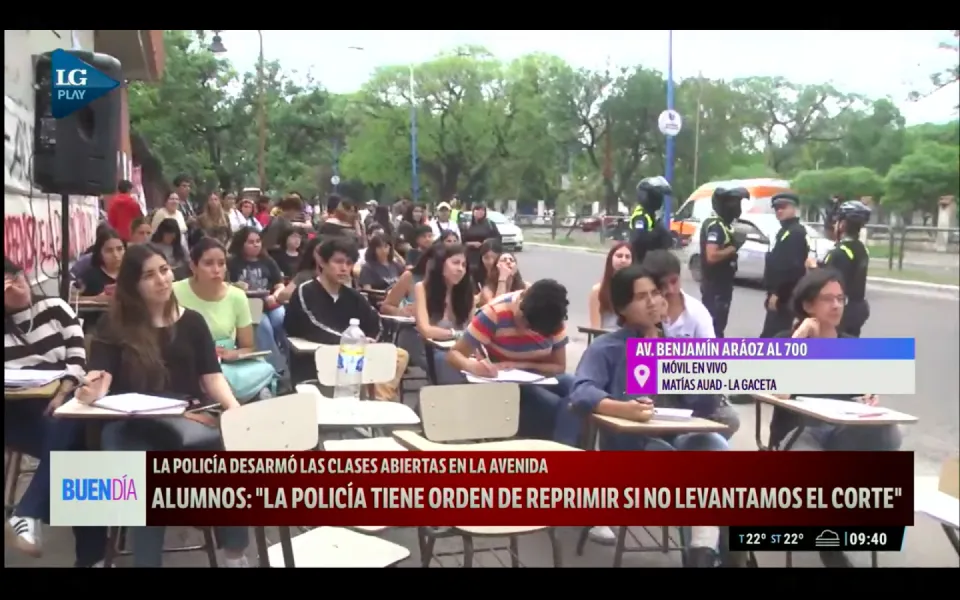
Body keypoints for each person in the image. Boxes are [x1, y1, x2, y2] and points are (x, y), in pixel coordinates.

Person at [76, 244, 250, 568]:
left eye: (164, 270)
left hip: (189, 420)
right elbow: (101, 378)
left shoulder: (193, 322)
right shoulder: (114, 327)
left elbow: (212, 378)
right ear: (132, 285)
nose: (161, 280)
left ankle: (235, 554)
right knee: (146, 484)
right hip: (130, 426)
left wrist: (235, 411)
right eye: (148, 275)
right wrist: (91, 390)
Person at [560, 264, 732, 567]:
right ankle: (709, 553)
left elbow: (701, 404)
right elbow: (581, 392)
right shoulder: (607, 348)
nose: (652, 302)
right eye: (641, 297)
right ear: (623, 307)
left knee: (715, 446)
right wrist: (621, 408)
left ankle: (704, 553)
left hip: (676, 436)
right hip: (630, 448)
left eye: (655, 293)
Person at [768, 268, 899, 568]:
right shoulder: (784, 340)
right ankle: (831, 542)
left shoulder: (851, 345)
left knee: (888, 433)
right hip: (800, 431)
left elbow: (864, 393)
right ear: (808, 305)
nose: (837, 306)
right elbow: (778, 393)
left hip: (842, 431)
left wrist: (869, 397)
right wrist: (799, 341)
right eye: (828, 299)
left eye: (840, 298)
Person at [4, 258, 108, 567]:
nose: (16, 285)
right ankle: (93, 559)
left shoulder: (55, 307)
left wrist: (64, 389)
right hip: (15, 412)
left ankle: (28, 512)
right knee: (79, 454)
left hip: (59, 401)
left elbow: (78, 357)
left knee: (77, 453)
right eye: (7, 283)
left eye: (17, 277)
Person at [446, 279, 573, 440]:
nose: (526, 330)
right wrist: (472, 366)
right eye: (526, 324)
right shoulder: (494, 313)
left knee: (578, 390)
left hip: (540, 375)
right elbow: (454, 354)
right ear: (522, 304)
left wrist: (518, 364)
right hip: (507, 383)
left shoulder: (552, 316)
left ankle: (567, 449)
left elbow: (559, 366)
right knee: (550, 404)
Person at [283, 238, 409, 400]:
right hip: (314, 362)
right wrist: (353, 342)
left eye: (349, 263)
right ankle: (377, 404)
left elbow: (375, 324)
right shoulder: (305, 291)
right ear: (322, 262)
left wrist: (370, 341)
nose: (344, 268)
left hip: (354, 358)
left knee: (398, 355)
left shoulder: (354, 297)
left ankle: (378, 403)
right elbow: (314, 327)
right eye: (338, 262)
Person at [643, 250, 740, 437]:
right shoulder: (645, 311)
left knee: (729, 419)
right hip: (653, 388)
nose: (670, 290)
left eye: (674, 281)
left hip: (688, 385)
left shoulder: (696, 312)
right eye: (663, 285)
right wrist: (656, 323)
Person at [174, 238, 278, 400]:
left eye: (221, 264)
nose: (216, 270)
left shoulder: (237, 296)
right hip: (184, 364)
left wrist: (233, 354)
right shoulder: (174, 292)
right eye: (208, 264)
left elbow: (248, 347)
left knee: (263, 376)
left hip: (224, 365)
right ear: (193, 267)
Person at [225, 228, 288, 375]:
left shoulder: (268, 261)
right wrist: (236, 287)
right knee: (264, 326)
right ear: (242, 244)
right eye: (251, 242)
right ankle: (276, 368)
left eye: (258, 241)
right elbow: (226, 285)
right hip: (248, 304)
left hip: (269, 301)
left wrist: (277, 295)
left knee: (281, 319)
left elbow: (279, 284)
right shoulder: (232, 262)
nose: (255, 245)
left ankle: (288, 356)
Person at [412, 244, 475, 383]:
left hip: (461, 349)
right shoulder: (422, 288)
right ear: (442, 265)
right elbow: (425, 330)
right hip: (432, 349)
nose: (460, 269)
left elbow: (472, 329)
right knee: (447, 362)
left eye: (464, 265)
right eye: (455, 263)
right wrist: (456, 334)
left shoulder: (467, 292)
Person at [760, 192, 811, 338]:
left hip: (785, 296)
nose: (779, 211)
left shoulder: (795, 233)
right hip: (780, 294)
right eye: (776, 208)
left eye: (783, 207)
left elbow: (792, 269)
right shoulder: (784, 231)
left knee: (773, 336)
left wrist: (778, 293)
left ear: (793, 208)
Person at [699, 186, 748, 337]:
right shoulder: (716, 226)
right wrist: (733, 249)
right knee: (714, 328)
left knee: (717, 325)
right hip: (715, 287)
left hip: (721, 285)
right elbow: (712, 256)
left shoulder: (725, 226)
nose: (737, 207)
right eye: (733, 203)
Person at [821, 200, 871, 337]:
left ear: (842, 225)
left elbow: (826, 281)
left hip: (841, 312)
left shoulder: (839, 252)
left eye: (836, 221)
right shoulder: (861, 248)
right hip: (857, 308)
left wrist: (814, 267)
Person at [628, 176, 674, 265]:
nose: (658, 200)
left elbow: (667, 240)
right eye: (655, 196)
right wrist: (657, 233)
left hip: (653, 263)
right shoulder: (640, 216)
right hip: (641, 264)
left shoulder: (651, 215)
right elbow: (638, 241)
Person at [588, 242, 632, 329]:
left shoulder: (636, 290)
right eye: (619, 256)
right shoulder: (598, 291)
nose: (623, 260)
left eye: (627, 257)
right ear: (610, 259)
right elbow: (595, 328)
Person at [79, 227, 124, 300]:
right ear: (100, 253)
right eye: (109, 251)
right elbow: (72, 299)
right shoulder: (90, 276)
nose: (115, 255)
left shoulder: (132, 274)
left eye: (119, 249)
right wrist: (96, 299)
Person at [460, 204, 501, 274]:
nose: (480, 212)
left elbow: (498, 238)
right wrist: (472, 244)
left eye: (482, 210)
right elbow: (461, 241)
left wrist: (487, 242)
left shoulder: (490, 224)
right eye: (477, 210)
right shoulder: (467, 225)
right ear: (473, 212)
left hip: (486, 255)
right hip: (471, 256)